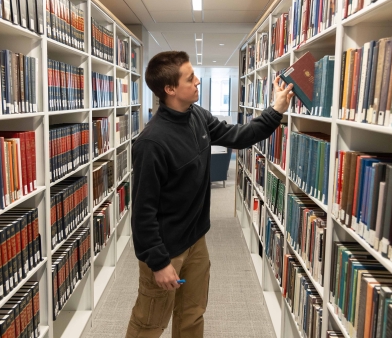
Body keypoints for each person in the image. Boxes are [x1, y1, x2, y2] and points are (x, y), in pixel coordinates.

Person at [126, 51, 294, 338]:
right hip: (166, 250)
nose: (198, 81)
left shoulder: (197, 116)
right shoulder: (151, 143)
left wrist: (275, 110)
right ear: (170, 89)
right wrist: (159, 262)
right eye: (190, 78)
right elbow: (142, 213)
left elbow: (239, 136)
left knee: (192, 315)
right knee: (149, 324)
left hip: (196, 241)